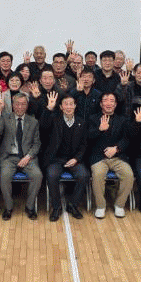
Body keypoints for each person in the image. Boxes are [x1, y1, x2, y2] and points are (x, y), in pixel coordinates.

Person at [0, 93, 42, 220]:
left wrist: (28, 156)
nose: (20, 107)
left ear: (27, 105)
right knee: (4, 176)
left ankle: (30, 207)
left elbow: (37, 144)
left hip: (27, 157)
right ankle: (8, 207)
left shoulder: (33, 122)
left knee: (37, 175)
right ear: (13, 105)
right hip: (9, 157)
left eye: (23, 104)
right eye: (17, 104)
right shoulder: (5, 118)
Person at [42, 92, 89, 221]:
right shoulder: (53, 119)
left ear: (75, 106)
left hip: (74, 159)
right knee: (52, 175)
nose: (68, 107)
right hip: (56, 159)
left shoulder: (82, 122)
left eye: (71, 104)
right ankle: (56, 207)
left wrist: (76, 159)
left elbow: (84, 145)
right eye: (65, 104)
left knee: (84, 175)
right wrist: (49, 108)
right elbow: (43, 126)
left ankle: (73, 205)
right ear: (61, 107)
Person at [89, 93, 134, 218]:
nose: (108, 103)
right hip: (99, 157)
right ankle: (100, 206)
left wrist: (117, 148)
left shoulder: (122, 120)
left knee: (128, 174)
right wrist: (99, 130)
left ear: (115, 104)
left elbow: (126, 139)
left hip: (118, 157)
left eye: (111, 101)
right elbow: (87, 137)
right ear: (101, 104)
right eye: (105, 100)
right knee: (98, 174)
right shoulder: (93, 118)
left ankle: (119, 205)